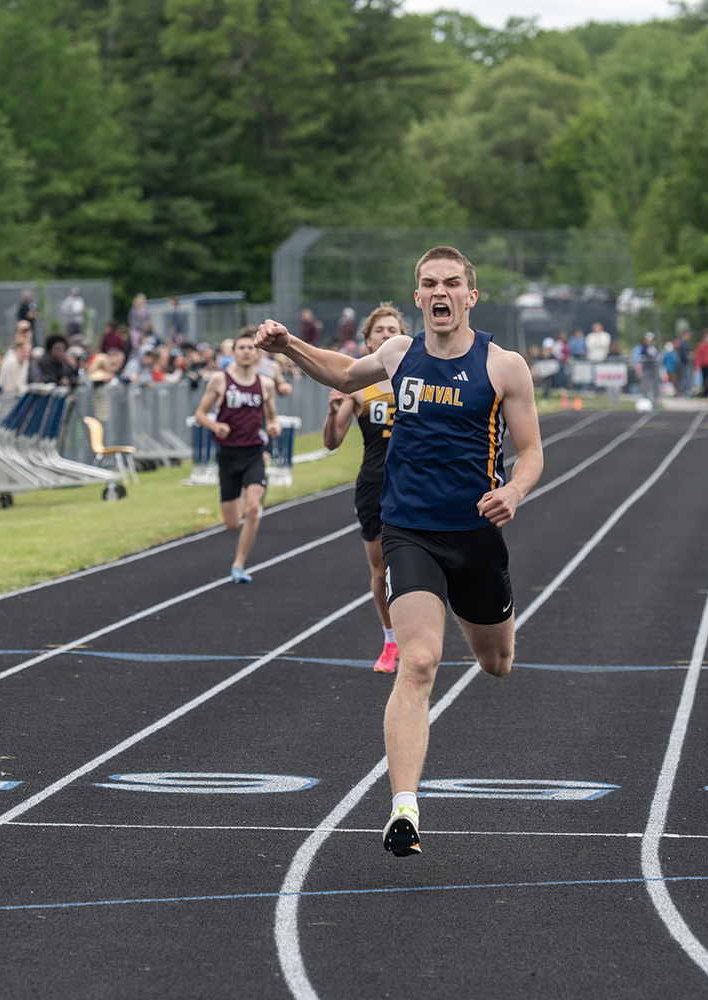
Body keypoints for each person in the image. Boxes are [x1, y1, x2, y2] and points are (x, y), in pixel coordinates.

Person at [255, 245, 543, 857]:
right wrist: (288, 346)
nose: (441, 292)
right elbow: (341, 374)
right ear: (417, 296)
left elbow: (532, 452)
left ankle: (482, 629)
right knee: (419, 662)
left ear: (471, 295)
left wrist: (514, 491)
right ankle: (404, 809)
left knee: (497, 661)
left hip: (475, 535)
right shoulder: (398, 354)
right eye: (429, 284)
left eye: (452, 283)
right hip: (409, 531)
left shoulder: (504, 367)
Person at [322, 304, 410, 674]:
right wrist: (333, 411)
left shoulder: (418, 378)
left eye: (393, 330)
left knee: (417, 564)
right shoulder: (359, 386)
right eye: (379, 331)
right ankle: (390, 640)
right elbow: (332, 441)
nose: (386, 335)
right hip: (375, 484)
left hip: (415, 483)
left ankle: (416, 635)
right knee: (380, 569)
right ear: (369, 340)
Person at [195, 332, 281, 583]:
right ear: (233, 352)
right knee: (232, 524)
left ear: (257, 353)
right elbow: (200, 414)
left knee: (253, 508)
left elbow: (272, 417)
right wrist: (214, 426)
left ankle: (239, 564)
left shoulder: (265, 384)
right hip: (228, 456)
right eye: (241, 347)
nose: (246, 351)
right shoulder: (219, 380)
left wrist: (274, 426)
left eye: (250, 348)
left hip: (254, 453)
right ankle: (241, 499)